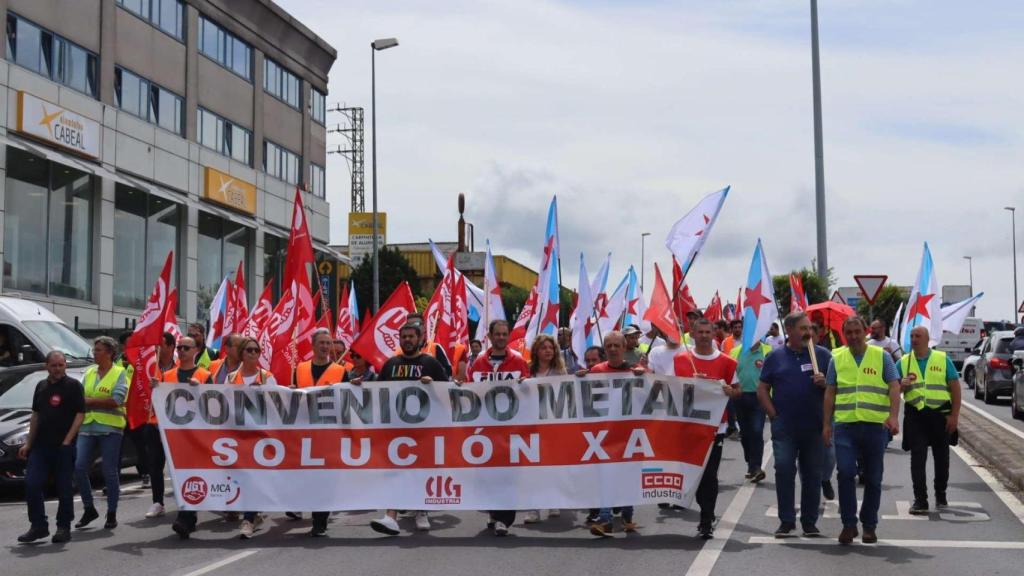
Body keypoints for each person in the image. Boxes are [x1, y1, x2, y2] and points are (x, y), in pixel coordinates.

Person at [823, 316, 901, 545]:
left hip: (875, 426)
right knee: (845, 473)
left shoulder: (882, 356)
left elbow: (894, 385)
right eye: (850, 333)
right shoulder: (837, 358)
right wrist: (826, 424)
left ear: (864, 331)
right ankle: (849, 524)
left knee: (874, 478)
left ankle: (869, 525)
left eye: (858, 331)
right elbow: (830, 392)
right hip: (845, 426)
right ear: (844, 334)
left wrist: (894, 417)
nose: (854, 336)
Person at [757, 312, 832, 537]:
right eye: (802, 329)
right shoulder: (775, 357)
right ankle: (787, 521)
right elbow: (762, 389)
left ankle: (809, 522)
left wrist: (825, 383)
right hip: (785, 428)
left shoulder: (823, 355)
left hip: (815, 426)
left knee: (812, 474)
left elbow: (837, 389)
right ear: (789, 330)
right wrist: (773, 415)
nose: (808, 333)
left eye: (809, 328)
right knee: (784, 470)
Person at [370, 322, 448, 536]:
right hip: (396, 430)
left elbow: (448, 393)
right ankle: (391, 516)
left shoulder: (431, 364)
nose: (407, 340)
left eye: (411, 336)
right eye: (403, 336)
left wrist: (433, 384)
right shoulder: (390, 364)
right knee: (396, 472)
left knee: (421, 471)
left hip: (424, 430)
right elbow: (376, 394)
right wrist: (359, 387)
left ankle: (421, 510)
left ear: (420, 338)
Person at [674, 318, 741, 539]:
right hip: (687, 427)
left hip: (715, 428)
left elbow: (737, 390)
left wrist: (728, 391)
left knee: (710, 475)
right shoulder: (681, 359)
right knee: (696, 474)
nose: (703, 335)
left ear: (714, 334)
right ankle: (705, 509)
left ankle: (706, 519)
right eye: (699, 332)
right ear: (692, 334)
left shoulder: (727, 362)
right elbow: (667, 389)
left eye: (707, 332)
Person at [464, 320, 530, 536]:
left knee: (508, 476)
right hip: (485, 432)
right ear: (490, 336)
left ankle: (505, 519)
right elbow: (469, 389)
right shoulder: (480, 363)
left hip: (511, 431)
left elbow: (529, 392)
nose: (501, 337)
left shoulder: (518, 362)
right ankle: (494, 514)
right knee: (488, 476)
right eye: (498, 334)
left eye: (504, 334)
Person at [578, 331, 647, 537]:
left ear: (624, 348)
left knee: (628, 476)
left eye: (617, 345)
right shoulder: (597, 371)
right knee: (606, 477)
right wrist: (580, 378)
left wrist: (644, 376)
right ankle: (606, 518)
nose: (613, 349)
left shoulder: (636, 371)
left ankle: (627, 515)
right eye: (609, 346)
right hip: (604, 435)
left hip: (630, 434)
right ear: (605, 349)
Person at [17, 352, 84, 544]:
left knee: (64, 488)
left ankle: (63, 527)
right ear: (47, 366)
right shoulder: (41, 386)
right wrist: (28, 443)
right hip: (40, 446)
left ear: (65, 366)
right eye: (54, 365)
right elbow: (36, 415)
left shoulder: (73, 386)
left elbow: (80, 415)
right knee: (32, 483)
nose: (57, 369)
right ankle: (38, 526)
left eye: (61, 365)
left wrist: (67, 440)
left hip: (63, 447)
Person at [898, 326, 960, 515]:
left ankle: (940, 494)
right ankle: (920, 500)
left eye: (918, 336)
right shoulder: (903, 362)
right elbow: (891, 388)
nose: (914, 339)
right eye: (912, 336)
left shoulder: (942, 359)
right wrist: (901, 385)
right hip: (916, 416)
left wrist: (954, 416)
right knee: (918, 458)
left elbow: (955, 388)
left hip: (940, 415)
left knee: (941, 458)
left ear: (927, 339)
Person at [291, 329, 345, 535]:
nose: (325, 346)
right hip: (304, 433)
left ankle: (320, 520)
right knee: (308, 477)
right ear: (313, 345)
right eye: (321, 342)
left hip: (329, 433)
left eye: (328, 343)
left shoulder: (340, 371)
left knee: (325, 477)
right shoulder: (300, 368)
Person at [74, 336, 128, 531]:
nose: (94, 353)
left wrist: (90, 400)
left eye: (98, 350)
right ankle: (89, 508)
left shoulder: (120, 373)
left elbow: (117, 400)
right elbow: (78, 397)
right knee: (79, 467)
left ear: (110, 353)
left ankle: (111, 512)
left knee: (109, 471)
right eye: (94, 350)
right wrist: (90, 400)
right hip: (87, 426)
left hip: (111, 428)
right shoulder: (88, 373)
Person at [227, 337, 280, 539]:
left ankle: (248, 518)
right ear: (241, 353)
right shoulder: (231, 378)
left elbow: (278, 405)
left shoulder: (267, 377)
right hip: (238, 435)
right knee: (244, 476)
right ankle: (253, 514)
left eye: (256, 350)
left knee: (254, 476)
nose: (253, 353)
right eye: (248, 350)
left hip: (260, 436)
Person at [158, 337, 210, 537]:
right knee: (179, 476)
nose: (181, 350)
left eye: (186, 347)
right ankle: (187, 516)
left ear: (196, 350)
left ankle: (186, 517)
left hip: (197, 435)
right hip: (175, 435)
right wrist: (157, 388)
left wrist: (200, 390)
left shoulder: (205, 375)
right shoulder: (167, 375)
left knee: (192, 475)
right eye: (179, 347)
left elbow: (213, 405)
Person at [522, 334, 566, 525]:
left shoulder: (560, 373)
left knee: (553, 466)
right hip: (532, 425)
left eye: (551, 347)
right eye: (544, 347)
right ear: (536, 351)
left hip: (554, 426)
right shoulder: (528, 371)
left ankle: (553, 499)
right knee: (533, 469)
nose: (548, 350)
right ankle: (533, 508)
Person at [142, 333, 178, 519]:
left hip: (176, 427)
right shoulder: (150, 367)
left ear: (171, 347)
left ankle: (185, 499)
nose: (157, 347)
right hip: (154, 424)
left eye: (161, 344)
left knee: (179, 465)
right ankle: (158, 502)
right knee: (155, 465)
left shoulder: (180, 369)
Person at [731, 337, 772, 484]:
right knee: (745, 433)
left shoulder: (768, 351)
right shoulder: (735, 352)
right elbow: (730, 375)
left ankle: (756, 467)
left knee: (756, 431)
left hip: (759, 398)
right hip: (739, 397)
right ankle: (750, 462)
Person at [117, 331, 149, 491]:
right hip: (119, 412)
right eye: (128, 343)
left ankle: (145, 473)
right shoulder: (116, 362)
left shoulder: (140, 361)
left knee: (140, 445)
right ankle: (114, 480)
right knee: (117, 447)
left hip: (135, 410)